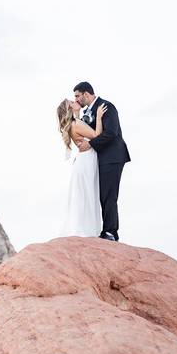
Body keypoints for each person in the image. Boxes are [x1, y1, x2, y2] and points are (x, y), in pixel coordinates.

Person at [73, 81, 131, 241]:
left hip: (112, 157)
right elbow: (88, 131)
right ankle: (105, 230)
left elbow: (111, 133)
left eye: (78, 96)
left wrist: (90, 144)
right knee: (101, 194)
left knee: (109, 194)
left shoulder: (107, 106)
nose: (77, 99)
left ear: (86, 94)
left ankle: (111, 232)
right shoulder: (88, 112)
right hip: (99, 159)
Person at [57, 98, 107, 236]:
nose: (75, 101)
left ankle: (85, 228)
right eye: (71, 102)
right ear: (69, 109)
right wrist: (99, 116)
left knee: (84, 195)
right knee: (88, 194)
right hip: (87, 160)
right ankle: (87, 230)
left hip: (84, 160)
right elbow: (96, 135)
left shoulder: (75, 123)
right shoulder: (76, 124)